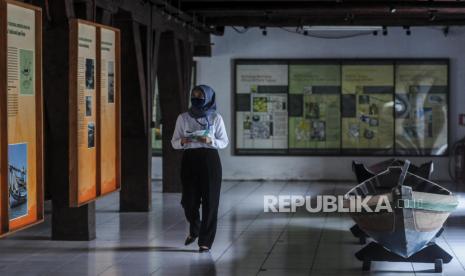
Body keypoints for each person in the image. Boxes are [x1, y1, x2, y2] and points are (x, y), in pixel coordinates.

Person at [171, 84, 229, 253]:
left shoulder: (216, 118)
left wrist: (210, 141)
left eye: (200, 96)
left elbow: (224, 142)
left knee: (211, 202)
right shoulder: (183, 118)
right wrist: (182, 141)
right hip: (190, 159)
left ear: (209, 98)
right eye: (194, 95)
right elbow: (174, 142)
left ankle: (205, 241)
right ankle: (195, 228)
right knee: (189, 201)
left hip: (210, 160)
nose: (197, 98)